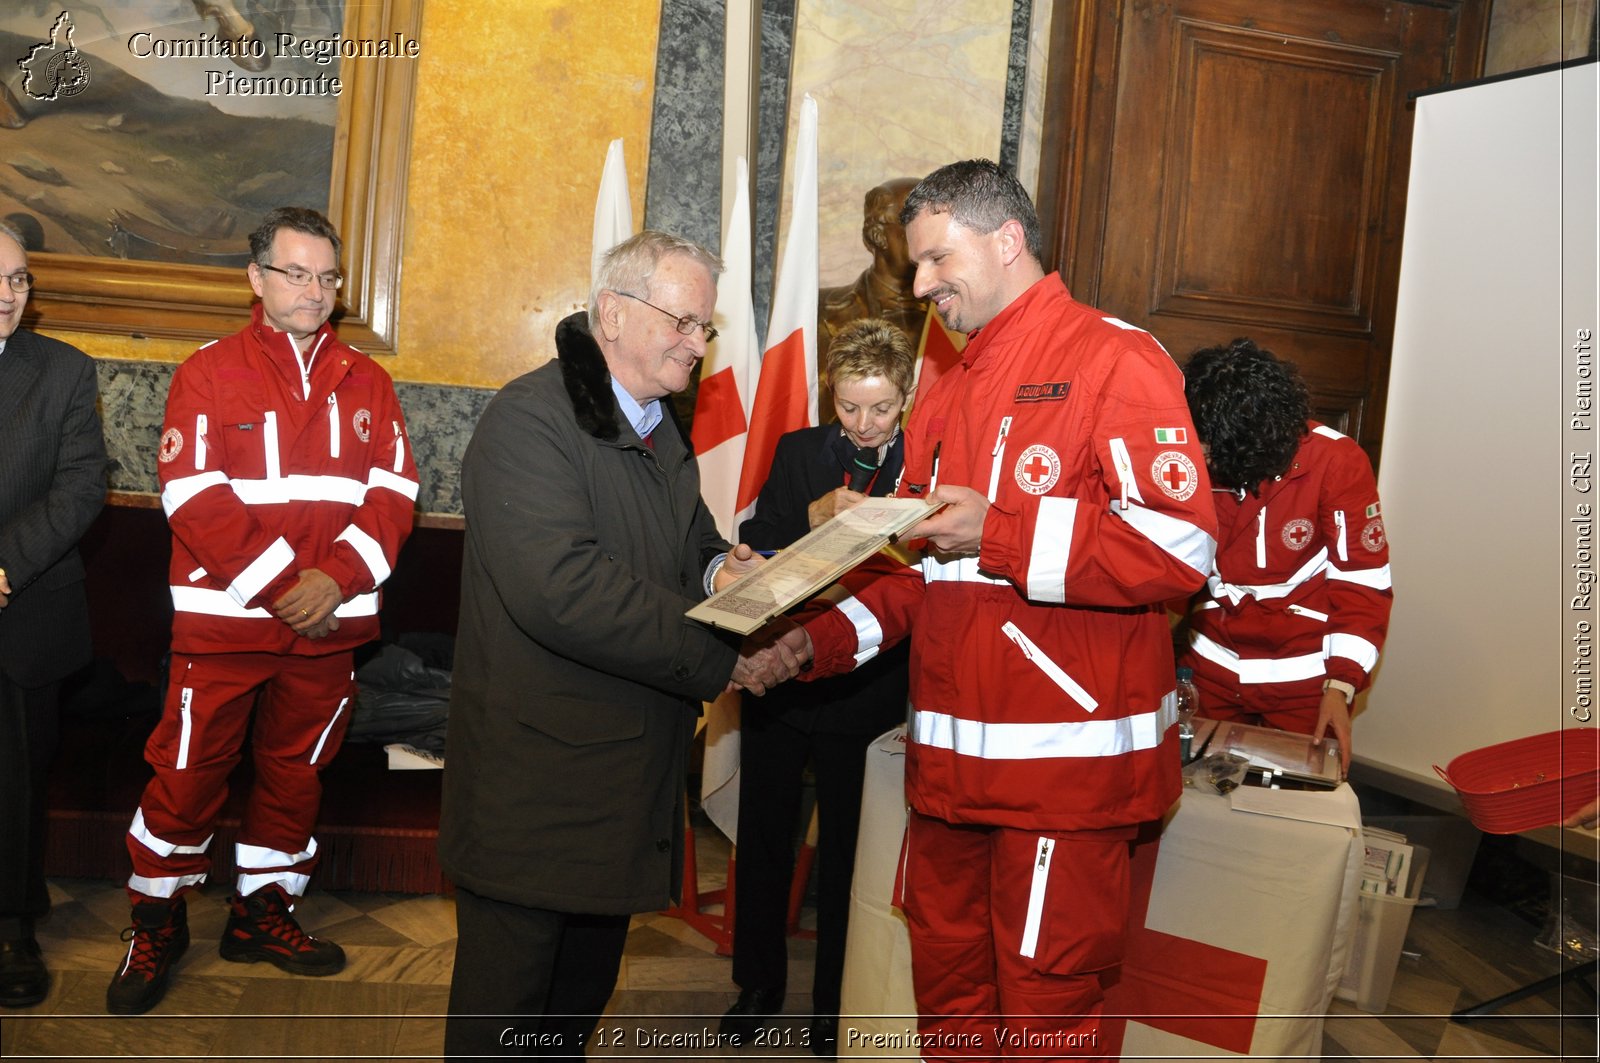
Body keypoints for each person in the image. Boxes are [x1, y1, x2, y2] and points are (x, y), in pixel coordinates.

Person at [766, 159, 1217, 1058]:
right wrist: (795, 646)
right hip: (949, 776)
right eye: (916, 265)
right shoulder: (947, 387)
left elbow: (1181, 550)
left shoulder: (1114, 357)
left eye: (936, 260)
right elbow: (915, 573)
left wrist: (1001, 531)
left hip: (1061, 782)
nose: (921, 284)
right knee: (951, 1005)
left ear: (1007, 240)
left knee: (1045, 1018)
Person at [438, 230, 801, 1059]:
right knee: (506, 1017)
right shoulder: (530, 420)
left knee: (575, 1006)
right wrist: (725, 656)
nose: (696, 344)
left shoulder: (655, 424)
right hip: (537, 788)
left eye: (704, 328)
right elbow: (563, 589)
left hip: (621, 783)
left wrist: (723, 573)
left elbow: (691, 542)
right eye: (683, 321)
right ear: (612, 313)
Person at [106, 207, 418, 1015]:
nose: (314, 291)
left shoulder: (370, 381)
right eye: (296, 273)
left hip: (330, 633)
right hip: (224, 628)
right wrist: (287, 586)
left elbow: (395, 497)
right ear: (257, 278)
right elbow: (194, 497)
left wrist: (337, 579)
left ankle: (262, 911)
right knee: (185, 775)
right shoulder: (208, 371)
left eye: (327, 276)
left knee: (295, 775)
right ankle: (157, 921)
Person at [720, 319, 914, 1056]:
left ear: (907, 398)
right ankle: (758, 985)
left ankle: (834, 1007)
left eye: (881, 408)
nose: (863, 424)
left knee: (846, 854)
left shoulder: (923, 461)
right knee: (765, 839)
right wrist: (810, 518)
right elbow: (757, 538)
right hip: (783, 668)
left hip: (870, 684)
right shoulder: (800, 449)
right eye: (849, 406)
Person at [1177, 338, 1392, 774]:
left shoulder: (1336, 462)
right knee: (1195, 800)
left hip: (1305, 681)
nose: (1201, 456)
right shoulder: (1189, 454)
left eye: (1210, 450)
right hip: (1211, 665)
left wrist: (1342, 685)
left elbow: (1363, 583)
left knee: (1298, 808)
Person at [0, 222, 107, 1009]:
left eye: (20, 280)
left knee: (12, 781)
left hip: (23, 609)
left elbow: (80, 488)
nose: (9, 295)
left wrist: (2, 568)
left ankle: (12, 926)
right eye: (0, 279)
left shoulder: (65, 371)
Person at [817, 178, 923, 409]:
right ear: (878, 235)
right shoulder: (819, 309)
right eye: (913, 223)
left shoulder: (952, 315)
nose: (927, 236)